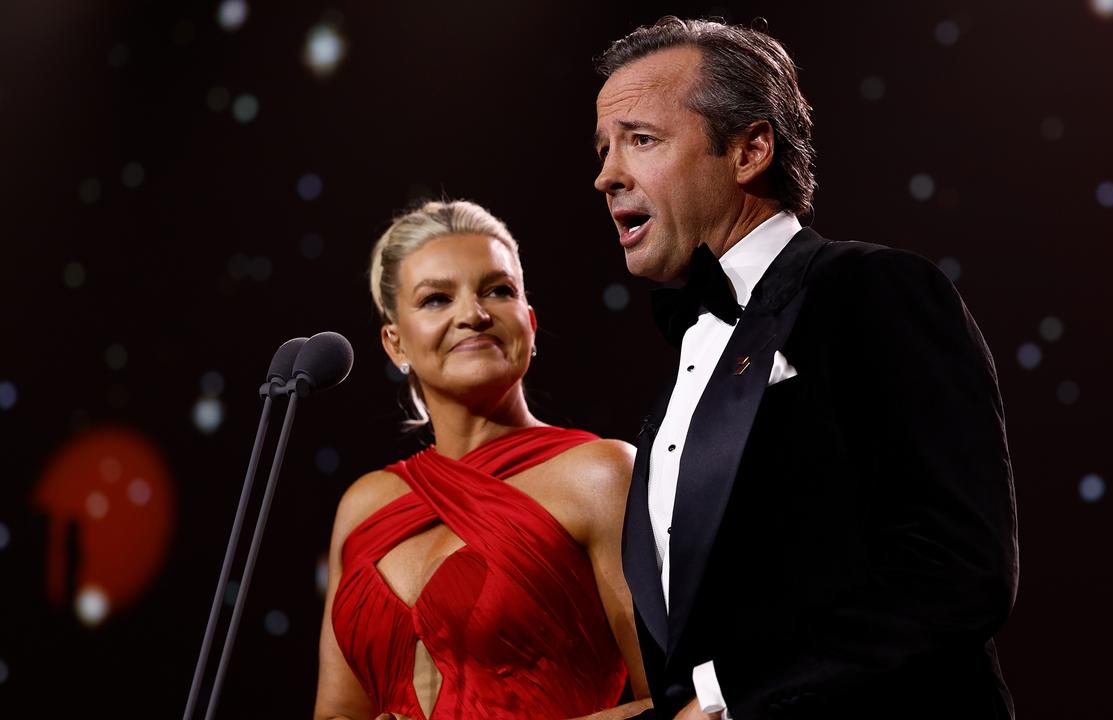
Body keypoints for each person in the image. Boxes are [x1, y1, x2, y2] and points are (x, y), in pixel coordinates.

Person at [592, 18, 1019, 720]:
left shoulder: (875, 290)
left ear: (750, 149)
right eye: (605, 148)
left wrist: (730, 695)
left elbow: (959, 572)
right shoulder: (692, 347)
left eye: (641, 139)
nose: (606, 174)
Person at [314, 200, 652, 720]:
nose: (473, 315)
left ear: (530, 324)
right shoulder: (362, 506)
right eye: (436, 299)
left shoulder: (600, 474)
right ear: (394, 342)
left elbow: (681, 702)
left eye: (499, 291)